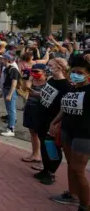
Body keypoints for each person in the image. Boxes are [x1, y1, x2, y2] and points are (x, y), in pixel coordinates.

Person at [49, 54, 90, 211]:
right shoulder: (74, 87)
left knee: (79, 171)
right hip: (67, 130)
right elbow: (65, 107)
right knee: (71, 165)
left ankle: (85, 205)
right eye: (74, 71)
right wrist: (55, 121)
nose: (75, 75)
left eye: (80, 72)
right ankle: (72, 194)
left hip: (84, 135)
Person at [33, 58, 70, 185]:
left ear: (59, 67)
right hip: (42, 118)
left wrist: (55, 122)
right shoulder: (51, 80)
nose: (47, 67)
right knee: (44, 144)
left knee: (52, 146)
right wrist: (34, 93)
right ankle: (45, 169)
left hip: (52, 120)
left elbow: (63, 107)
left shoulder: (66, 86)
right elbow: (45, 94)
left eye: (50, 65)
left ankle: (51, 172)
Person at [21, 64, 47, 165]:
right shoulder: (31, 80)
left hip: (41, 110)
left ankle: (43, 159)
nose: (34, 73)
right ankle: (35, 154)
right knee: (33, 133)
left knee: (41, 134)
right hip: (30, 107)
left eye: (37, 71)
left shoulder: (48, 82)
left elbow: (43, 95)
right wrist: (28, 80)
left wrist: (30, 89)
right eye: (33, 71)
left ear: (44, 72)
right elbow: (24, 89)